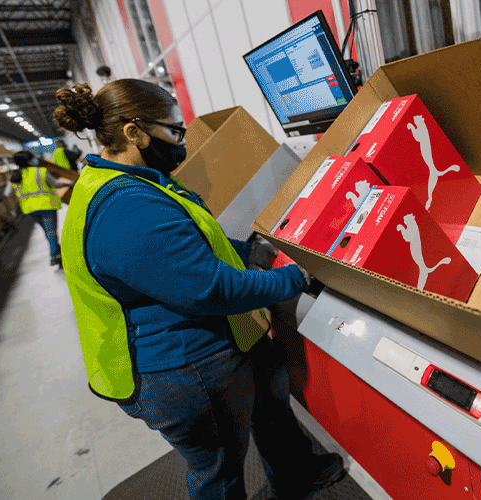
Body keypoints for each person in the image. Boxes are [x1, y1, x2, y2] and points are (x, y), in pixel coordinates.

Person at [52, 79, 345, 500]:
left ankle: (296, 474)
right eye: (174, 131)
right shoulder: (127, 206)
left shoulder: (130, 180)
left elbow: (190, 246)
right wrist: (294, 278)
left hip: (219, 338)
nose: (181, 142)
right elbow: (209, 289)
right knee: (218, 469)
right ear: (134, 133)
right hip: (183, 368)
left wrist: (253, 253)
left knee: (270, 397)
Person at [10, 150, 71, 266]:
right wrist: (69, 183)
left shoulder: (16, 176)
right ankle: (54, 255)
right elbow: (56, 184)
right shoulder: (39, 171)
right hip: (46, 205)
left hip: (29, 208)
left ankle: (58, 251)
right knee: (51, 231)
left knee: (48, 232)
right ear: (29, 161)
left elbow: (12, 193)